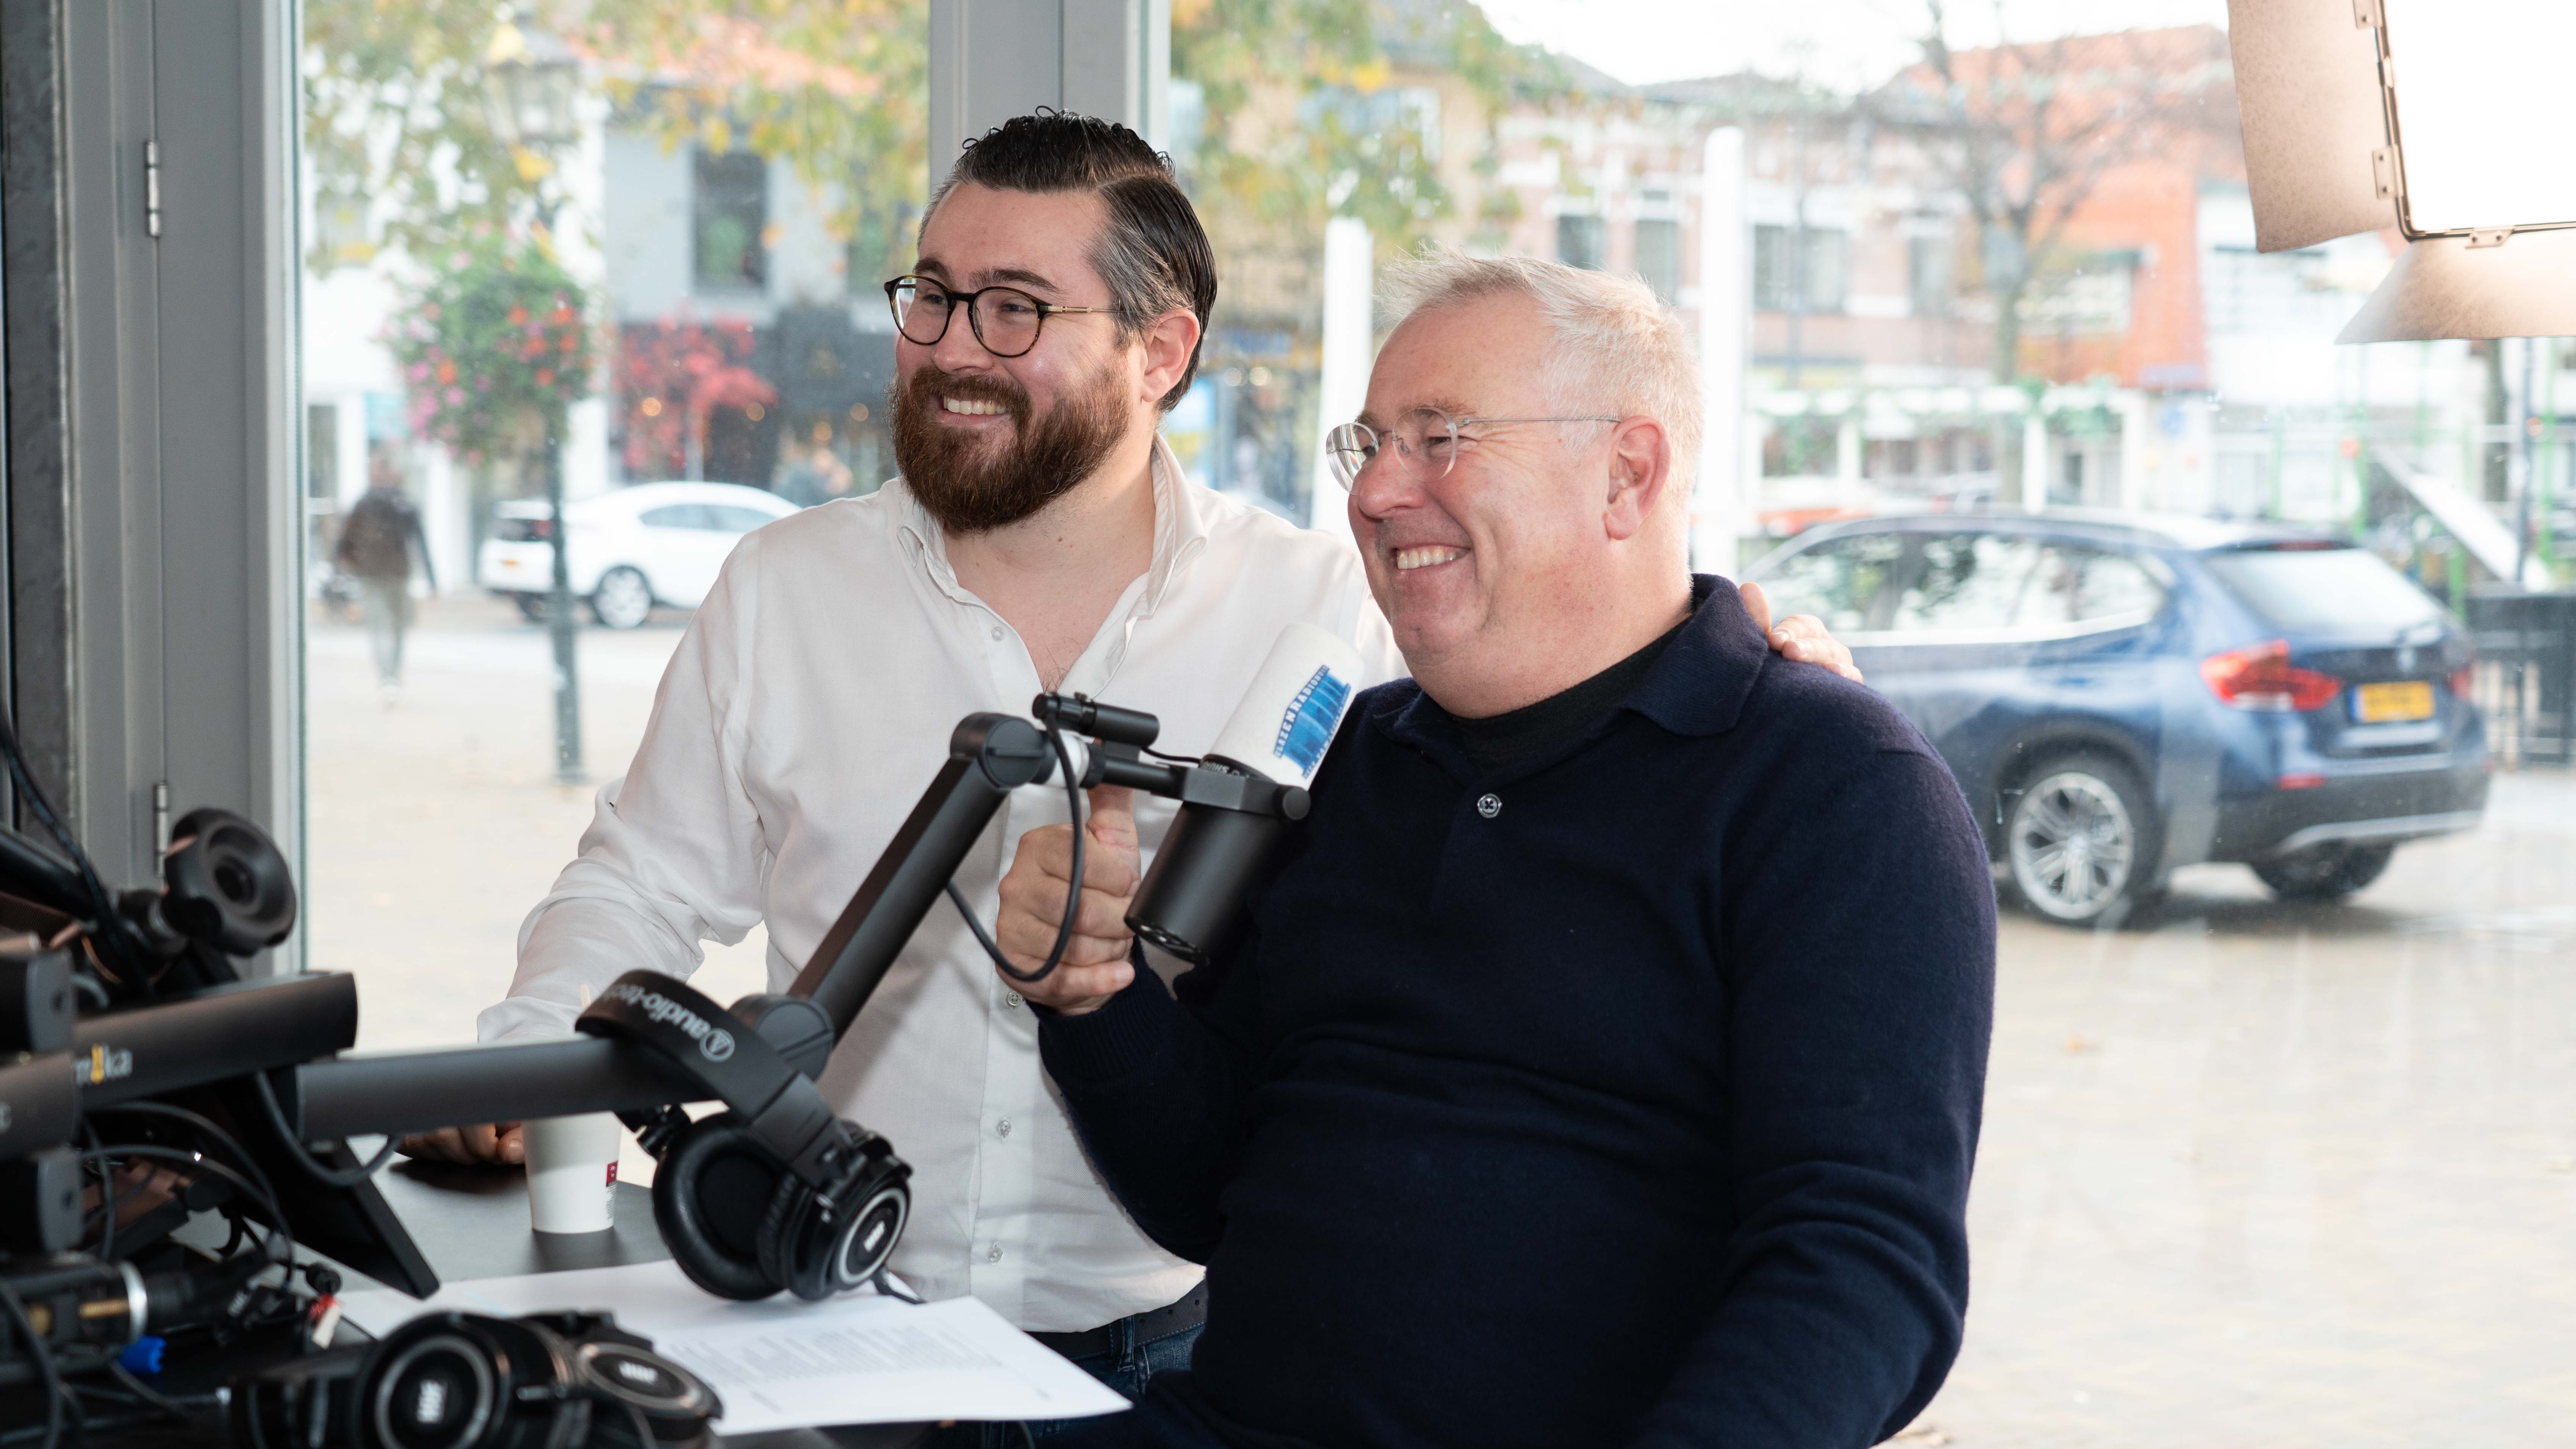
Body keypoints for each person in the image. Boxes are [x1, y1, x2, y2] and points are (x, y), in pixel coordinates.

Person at [398, 114, 1858, 1418]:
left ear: (1161, 352)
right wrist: (533, 1064)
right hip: (827, 1324)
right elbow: (639, 884)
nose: (952, 344)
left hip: (1167, 1361)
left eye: (1017, 308)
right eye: (933, 295)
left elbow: (1560, 633)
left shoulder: (1330, 609)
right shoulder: (785, 588)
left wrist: (1750, 656)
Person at [1006, 253, 1996, 1449]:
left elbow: (1862, 1265)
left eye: (1441, 436)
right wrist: (1091, 996)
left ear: (1627, 473)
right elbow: (1208, 1193)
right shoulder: (1346, 760)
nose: (1373, 491)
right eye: (1366, 443)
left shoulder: (1838, 789)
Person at [334, 452, 438, 704]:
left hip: (390, 575)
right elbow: (347, 541)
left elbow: (345, 541)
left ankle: (389, 677)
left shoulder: (376, 503)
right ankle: (390, 677)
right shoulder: (394, 503)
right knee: (387, 627)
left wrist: (339, 569)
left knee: (389, 627)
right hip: (381, 575)